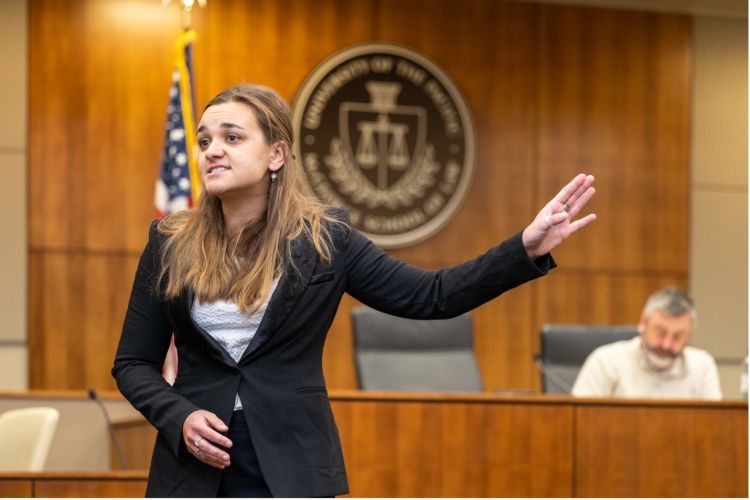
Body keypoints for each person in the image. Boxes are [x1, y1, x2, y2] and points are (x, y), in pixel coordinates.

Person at [112, 83, 596, 498]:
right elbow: (133, 363)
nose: (212, 149)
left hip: (291, 466)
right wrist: (180, 417)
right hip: (192, 466)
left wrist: (524, 249)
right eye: (204, 140)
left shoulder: (326, 240)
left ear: (276, 154)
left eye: (232, 137)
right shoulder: (169, 242)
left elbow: (433, 296)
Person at [571, 286, 722, 400]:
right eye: (660, 332)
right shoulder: (605, 362)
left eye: (678, 336)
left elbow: (715, 428)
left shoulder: (703, 366)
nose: (666, 345)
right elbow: (578, 421)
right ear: (643, 323)